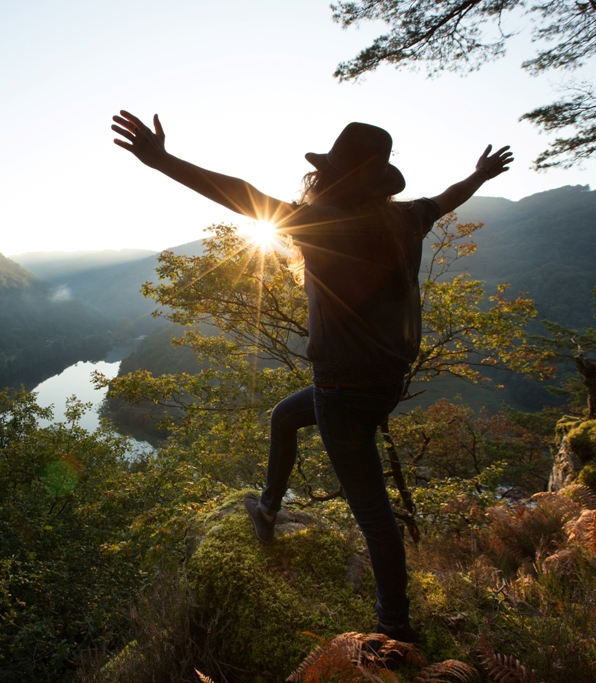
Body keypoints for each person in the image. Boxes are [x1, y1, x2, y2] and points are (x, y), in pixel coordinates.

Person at [111, 110, 512, 642]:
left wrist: (163, 161)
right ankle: (268, 509)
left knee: (374, 516)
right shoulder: (405, 220)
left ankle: (395, 628)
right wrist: (480, 174)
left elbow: (241, 194)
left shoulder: (326, 223)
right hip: (382, 384)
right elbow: (448, 197)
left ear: (330, 177)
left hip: (341, 390)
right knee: (284, 416)